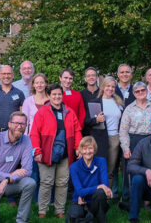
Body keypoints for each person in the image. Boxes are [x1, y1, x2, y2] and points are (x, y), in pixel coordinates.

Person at [30, 83, 82, 218]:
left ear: (62, 95)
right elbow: (34, 133)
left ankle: (59, 210)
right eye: (54, 94)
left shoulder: (69, 112)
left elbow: (77, 131)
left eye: (59, 94)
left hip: (65, 154)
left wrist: (78, 147)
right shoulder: (42, 112)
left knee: (62, 182)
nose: (57, 96)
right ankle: (42, 210)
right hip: (47, 153)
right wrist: (37, 151)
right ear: (49, 95)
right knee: (46, 182)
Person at [86, 76, 125, 193]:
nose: (110, 88)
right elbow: (86, 122)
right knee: (97, 167)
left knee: (111, 169)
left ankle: (107, 195)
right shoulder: (95, 102)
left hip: (115, 138)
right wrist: (96, 120)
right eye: (108, 86)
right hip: (99, 138)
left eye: (113, 86)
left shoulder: (118, 102)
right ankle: (95, 193)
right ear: (103, 87)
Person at [119, 82, 151, 203]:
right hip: (134, 141)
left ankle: (148, 199)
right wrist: (126, 148)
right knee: (131, 169)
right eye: (137, 91)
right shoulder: (129, 109)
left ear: (146, 91)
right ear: (134, 93)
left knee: (150, 168)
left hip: (150, 140)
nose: (140, 93)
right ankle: (129, 197)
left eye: (142, 90)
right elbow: (123, 131)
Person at [69, 136, 112, 223]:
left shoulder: (101, 161)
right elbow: (80, 192)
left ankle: (100, 218)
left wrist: (100, 188)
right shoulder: (74, 167)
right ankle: (89, 217)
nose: (88, 151)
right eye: (84, 149)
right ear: (80, 150)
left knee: (100, 192)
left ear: (94, 149)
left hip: (96, 200)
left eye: (90, 148)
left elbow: (105, 185)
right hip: (80, 200)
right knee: (73, 218)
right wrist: (98, 186)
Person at [21, 73, 49, 200]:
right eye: (36, 82)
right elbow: (24, 123)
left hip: (49, 140)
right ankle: (35, 200)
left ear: (46, 84)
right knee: (34, 172)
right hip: (32, 141)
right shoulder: (28, 101)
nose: (39, 85)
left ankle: (48, 199)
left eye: (41, 82)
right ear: (33, 85)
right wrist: (25, 140)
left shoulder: (51, 99)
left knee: (48, 172)